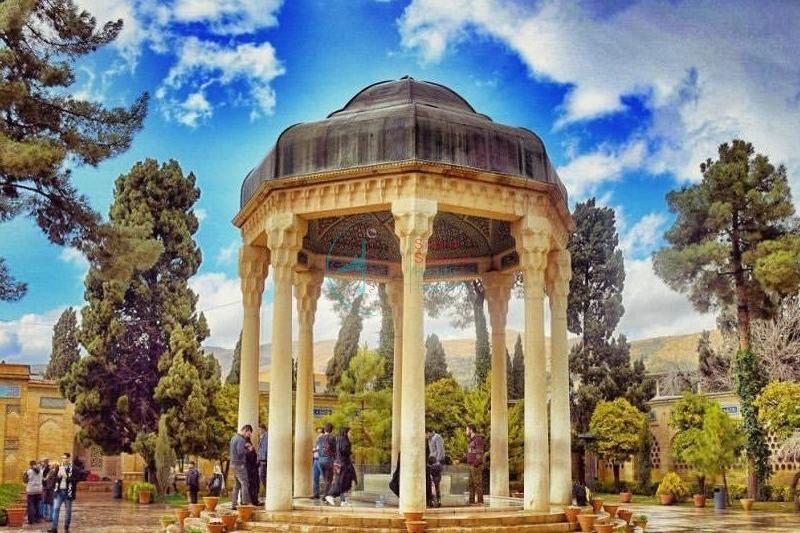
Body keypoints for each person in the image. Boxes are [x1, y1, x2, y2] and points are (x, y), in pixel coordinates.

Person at [325, 427, 356, 506]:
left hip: (338, 463)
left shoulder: (338, 439)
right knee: (341, 482)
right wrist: (350, 452)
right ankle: (330, 495)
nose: (351, 434)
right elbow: (344, 451)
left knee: (342, 482)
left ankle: (343, 501)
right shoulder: (345, 440)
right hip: (343, 465)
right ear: (346, 432)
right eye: (350, 432)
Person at [50, 452, 80, 533]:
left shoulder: (74, 468)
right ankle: (54, 528)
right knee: (56, 509)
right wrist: (58, 478)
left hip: (68, 492)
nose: (64, 459)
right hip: (59, 491)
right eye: (62, 458)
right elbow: (53, 478)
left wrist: (67, 478)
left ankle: (66, 527)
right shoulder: (58, 467)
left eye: (65, 458)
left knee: (68, 510)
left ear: (69, 458)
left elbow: (76, 480)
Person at [229, 424, 253, 509]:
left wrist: (244, 447)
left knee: (237, 485)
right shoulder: (241, 440)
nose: (248, 436)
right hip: (240, 465)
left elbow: (235, 450)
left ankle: (234, 504)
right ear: (245, 430)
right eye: (249, 434)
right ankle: (245, 503)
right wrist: (248, 449)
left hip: (233, 464)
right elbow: (240, 453)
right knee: (245, 483)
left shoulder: (234, 438)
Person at [463, 423, 485, 505]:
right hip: (470, 465)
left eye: (467, 430)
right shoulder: (470, 440)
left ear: (471, 430)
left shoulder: (478, 439)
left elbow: (480, 452)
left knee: (477, 483)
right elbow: (469, 453)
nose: (466, 432)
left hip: (475, 465)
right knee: (471, 484)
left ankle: (480, 501)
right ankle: (471, 501)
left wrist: (476, 463)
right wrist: (461, 459)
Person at [426, 428, 445, 507]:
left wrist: (437, 462)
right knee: (430, 482)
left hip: (437, 463)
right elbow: (431, 452)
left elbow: (440, 450)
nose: (424, 437)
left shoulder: (437, 437)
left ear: (428, 432)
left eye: (425, 434)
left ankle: (438, 500)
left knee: (436, 482)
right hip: (431, 463)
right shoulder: (429, 439)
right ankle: (431, 500)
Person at [318, 423, 336, 498]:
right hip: (329, 460)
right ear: (331, 430)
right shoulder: (332, 437)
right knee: (329, 479)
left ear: (324, 429)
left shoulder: (320, 438)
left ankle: (327, 495)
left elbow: (319, 448)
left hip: (320, 460)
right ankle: (325, 496)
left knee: (325, 479)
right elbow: (335, 449)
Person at [24, 460, 43, 524]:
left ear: (30, 465)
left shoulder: (28, 471)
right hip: (38, 490)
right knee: (37, 504)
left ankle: (31, 520)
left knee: (31, 505)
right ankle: (38, 519)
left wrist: (25, 473)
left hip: (31, 490)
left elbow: (25, 480)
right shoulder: (41, 471)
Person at [245, 437, 261, 506]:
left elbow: (254, 459)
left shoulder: (251, 449)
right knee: (252, 486)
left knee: (255, 485)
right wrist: (251, 451)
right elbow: (250, 459)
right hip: (250, 470)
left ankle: (255, 501)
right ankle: (252, 501)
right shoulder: (246, 450)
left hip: (253, 469)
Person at [311, 427, 324, 499]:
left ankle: (327, 494)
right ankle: (316, 494)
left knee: (324, 477)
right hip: (315, 459)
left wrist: (315, 449)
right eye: (317, 429)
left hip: (320, 459)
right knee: (315, 477)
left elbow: (321, 448)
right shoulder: (317, 438)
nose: (318, 430)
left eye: (320, 429)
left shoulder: (323, 437)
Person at [257, 423, 268, 499]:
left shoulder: (266, 436)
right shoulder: (262, 436)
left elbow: (265, 448)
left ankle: (268, 490)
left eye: (259, 429)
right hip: (261, 460)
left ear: (263, 429)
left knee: (262, 476)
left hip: (264, 460)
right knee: (262, 476)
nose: (258, 431)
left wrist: (263, 458)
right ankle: (267, 490)